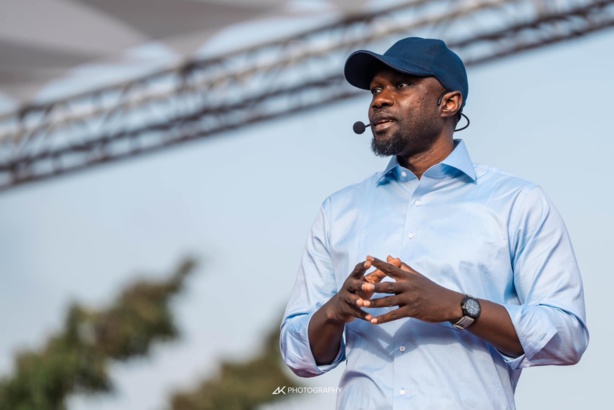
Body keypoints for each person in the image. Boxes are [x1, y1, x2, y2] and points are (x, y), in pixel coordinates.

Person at [279, 37, 589, 409]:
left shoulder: (517, 202)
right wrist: (334, 311)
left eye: (401, 85)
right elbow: (297, 354)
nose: (379, 100)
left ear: (449, 103)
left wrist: (459, 307)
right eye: (376, 89)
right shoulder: (339, 210)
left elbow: (566, 336)